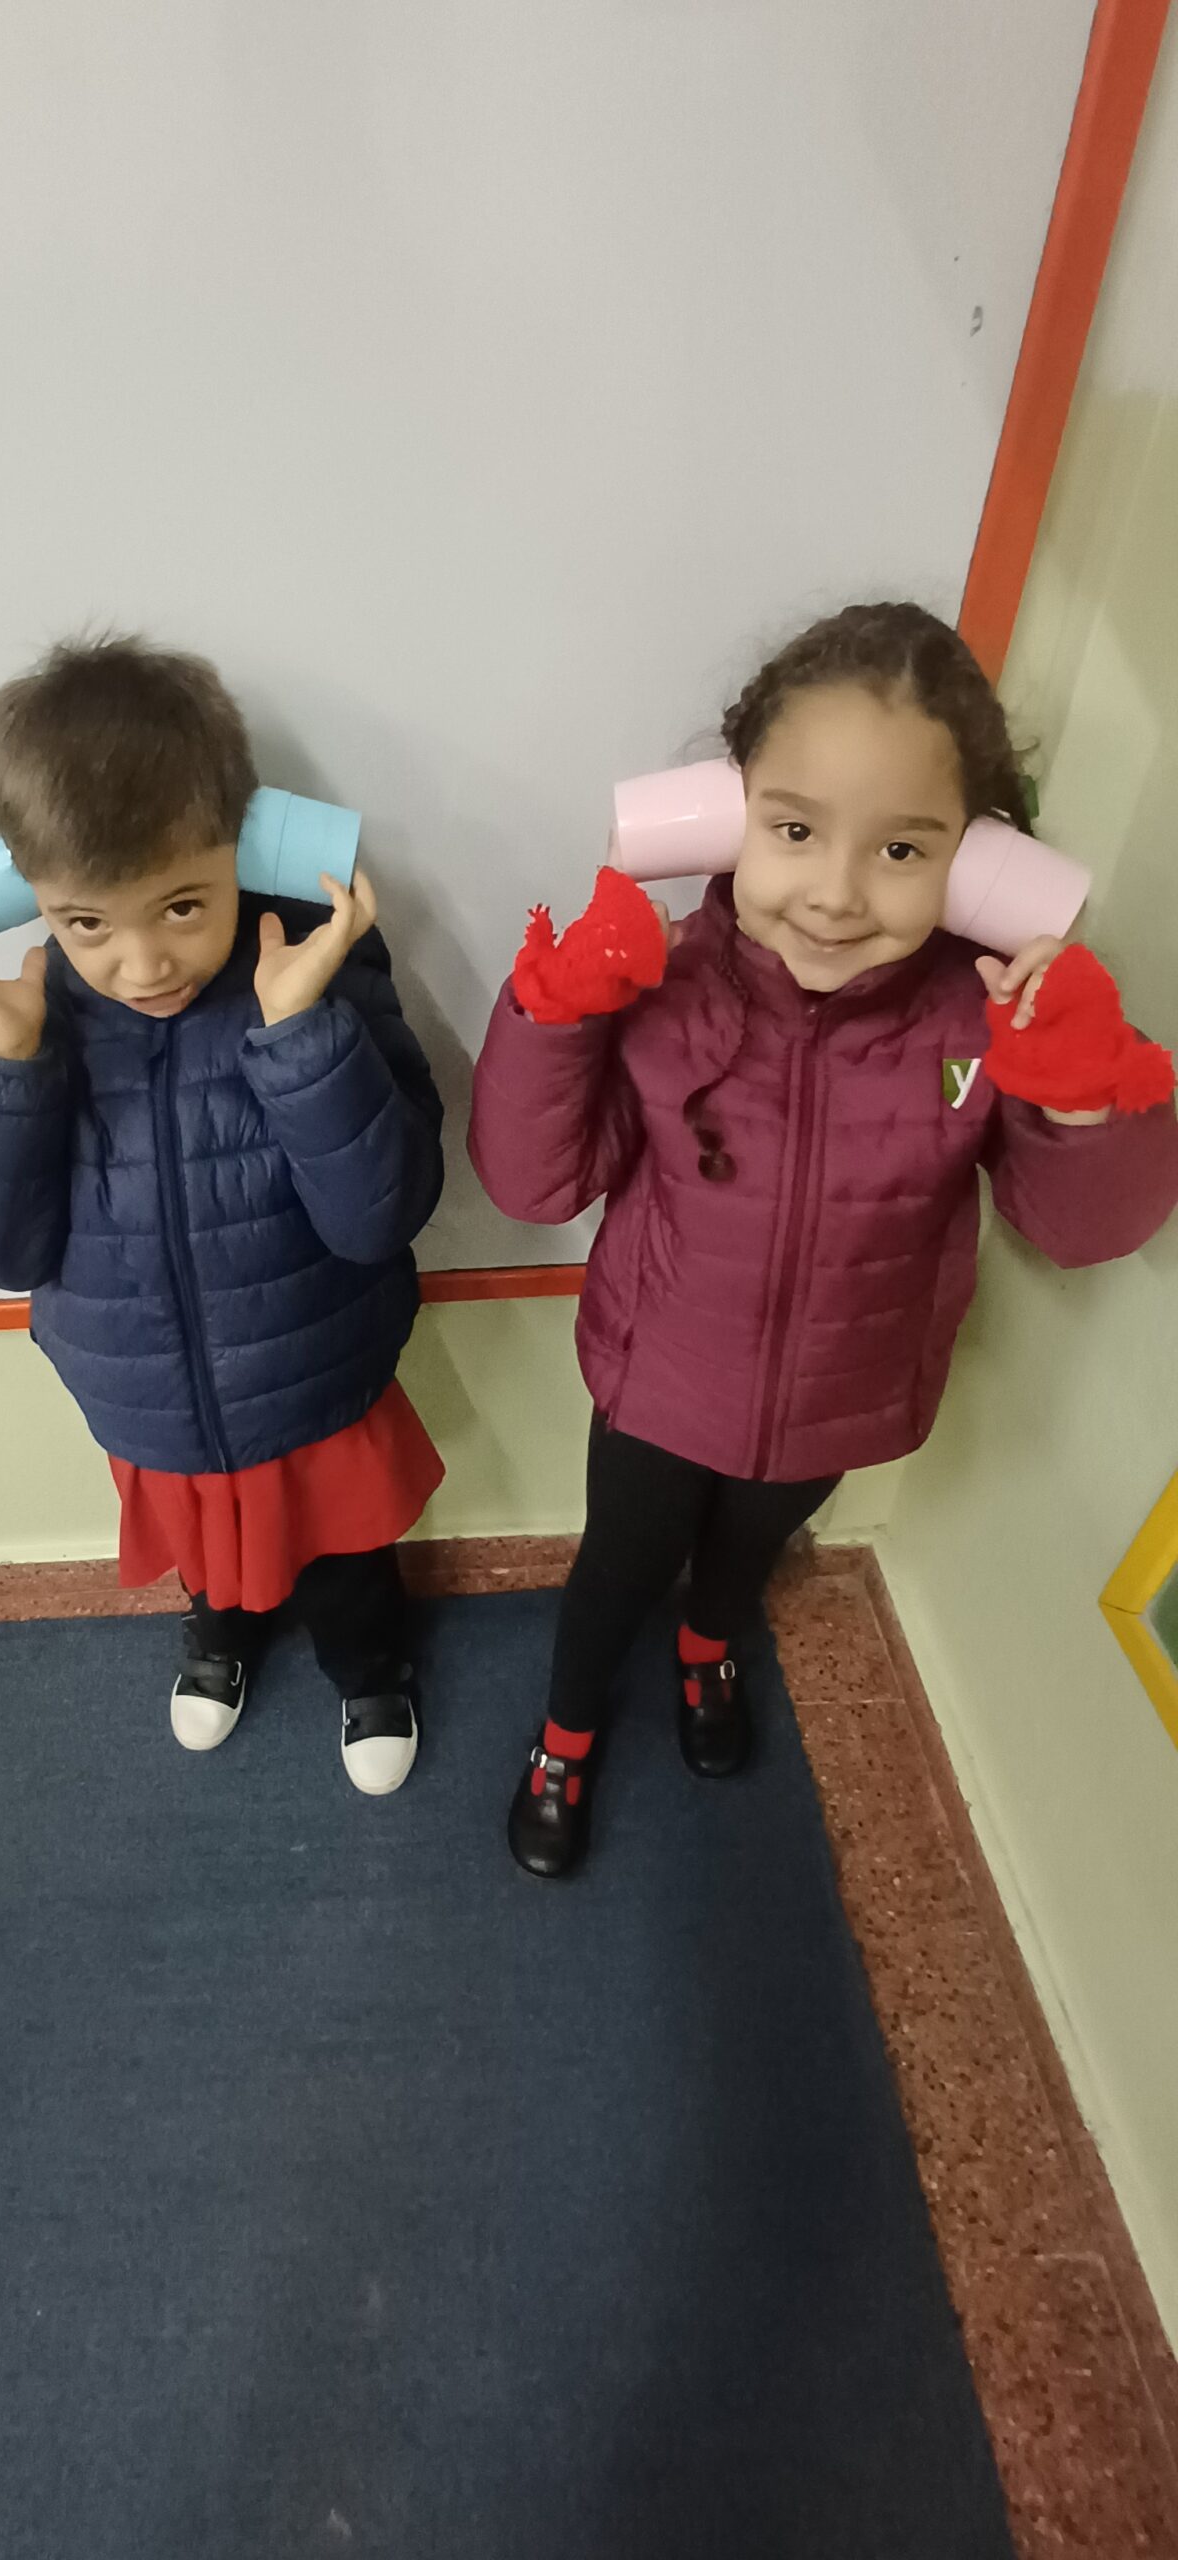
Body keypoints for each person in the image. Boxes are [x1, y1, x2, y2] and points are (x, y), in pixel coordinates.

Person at [469, 602, 1178, 1879]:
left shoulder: (979, 1024)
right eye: (794, 831)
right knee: (618, 1566)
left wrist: (1083, 1097)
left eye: (903, 849)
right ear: (723, 817)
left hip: (844, 1395)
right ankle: (565, 1734)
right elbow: (534, 1182)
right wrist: (556, 1016)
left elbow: (1078, 1231)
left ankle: (708, 1649)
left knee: (748, 1552)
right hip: (658, 1386)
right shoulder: (662, 985)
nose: (839, 894)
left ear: (980, 864)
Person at [0, 636, 445, 1795]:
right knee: (208, 1560)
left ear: (246, 849)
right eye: (87, 923)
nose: (143, 961)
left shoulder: (319, 976)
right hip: (147, 1399)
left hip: (312, 1377)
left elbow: (381, 1215)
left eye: (183, 905)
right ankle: (218, 1636)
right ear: (27, 894)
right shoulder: (34, 1016)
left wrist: (301, 1037)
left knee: (346, 1559)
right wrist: (2, 1063)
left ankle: (370, 1667)